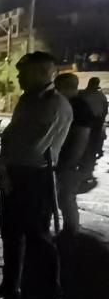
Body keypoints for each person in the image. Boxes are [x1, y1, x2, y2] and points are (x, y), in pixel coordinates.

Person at [0, 52, 73, 299]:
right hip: (16, 173)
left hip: (35, 177)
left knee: (39, 240)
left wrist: (4, 164)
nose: (19, 77)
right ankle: (11, 287)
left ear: (44, 73)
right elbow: (11, 135)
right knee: (11, 235)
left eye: (25, 72)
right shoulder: (27, 100)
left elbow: (33, 146)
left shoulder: (54, 104)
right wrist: (5, 168)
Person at [54, 73, 93, 236]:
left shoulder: (79, 107)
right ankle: (69, 230)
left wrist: (70, 163)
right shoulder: (74, 104)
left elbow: (81, 138)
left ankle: (71, 231)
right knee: (63, 196)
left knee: (66, 197)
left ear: (64, 88)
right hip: (70, 160)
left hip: (73, 162)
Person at [79, 77, 108, 188]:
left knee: (85, 143)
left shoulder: (83, 94)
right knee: (92, 144)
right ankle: (89, 161)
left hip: (85, 122)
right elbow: (105, 110)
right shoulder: (101, 96)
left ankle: (85, 161)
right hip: (96, 122)